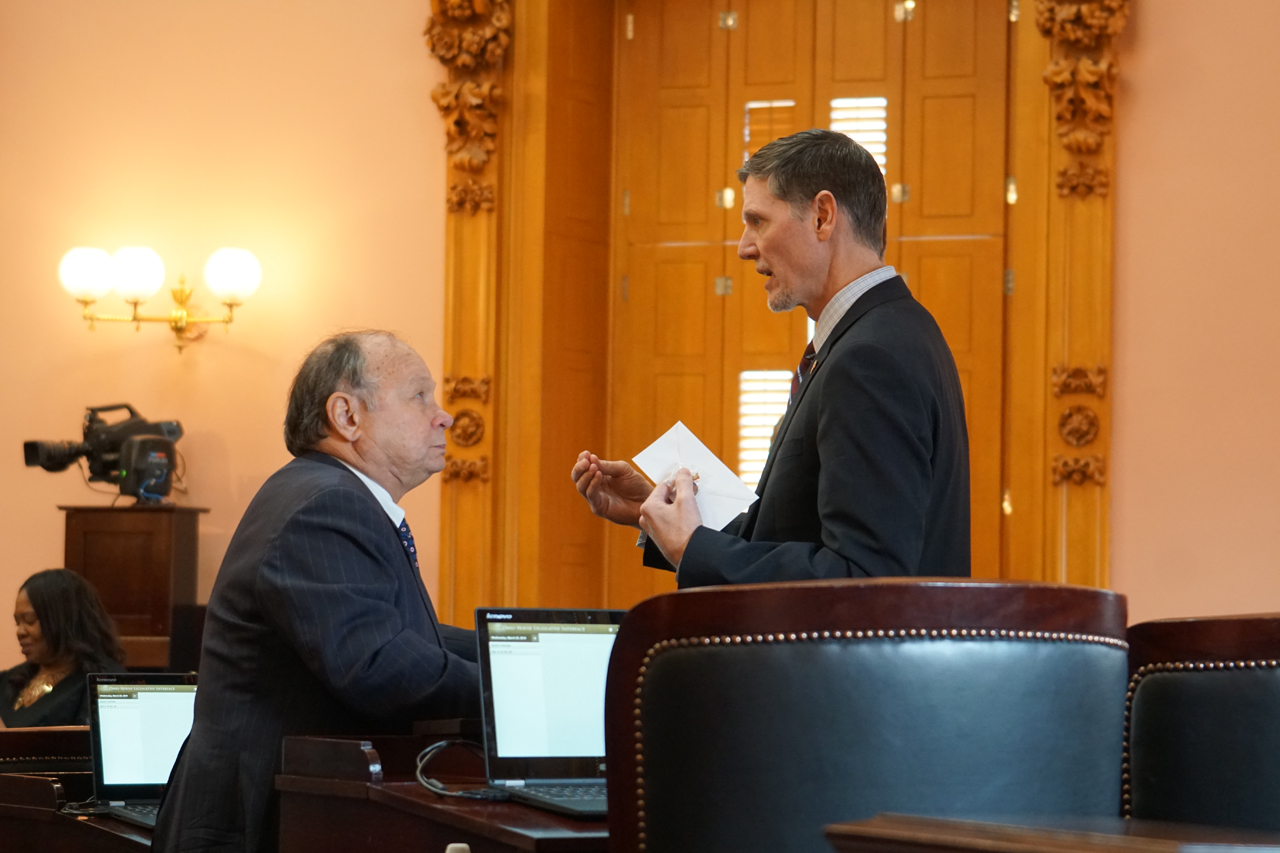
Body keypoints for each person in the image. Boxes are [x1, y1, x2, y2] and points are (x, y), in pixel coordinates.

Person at [572, 129, 970, 586]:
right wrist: (660, 515)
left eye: (758, 221)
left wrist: (692, 547)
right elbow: (792, 535)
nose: (743, 247)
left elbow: (861, 579)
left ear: (822, 217)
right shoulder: (888, 332)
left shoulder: (869, 358)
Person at [154, 330, 480, 853]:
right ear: (347, 416)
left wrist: (507, 653)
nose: (442, 415)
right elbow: (377, 666)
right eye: (419, 396)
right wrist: (515, 695)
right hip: (261, 822)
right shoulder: (325, 505)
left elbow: (395, 632)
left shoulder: (325, 492)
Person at [0, 569, 126, 728]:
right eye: (18, 622)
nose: (20, 632)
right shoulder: (11, 680)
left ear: (64, 620)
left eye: (29, 620)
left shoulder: (107, 685)